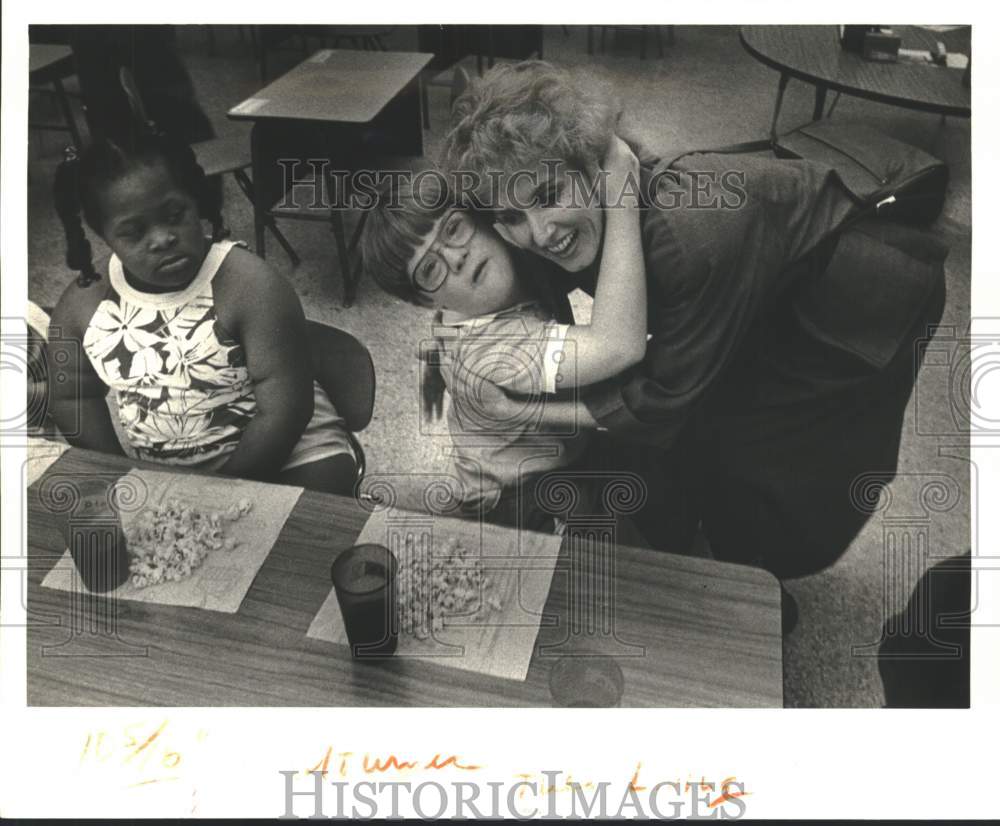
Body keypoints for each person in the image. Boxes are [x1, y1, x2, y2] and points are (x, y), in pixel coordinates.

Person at [440, 60, 948, 577]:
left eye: (548, 197)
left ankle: (757, 584)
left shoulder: (687, 241)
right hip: (768, 275)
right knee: (715, 417)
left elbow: (663, 399)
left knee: (795, 457)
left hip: (866, 292)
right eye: (510, 217)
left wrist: (529, 411)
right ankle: (728, 557)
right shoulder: (591, 208)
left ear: (594, 166)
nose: (541, 234)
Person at [47, 130, 357, 495]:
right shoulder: (81, 307)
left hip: (291, 454)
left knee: (305, 533)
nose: (162, 238)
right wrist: (121, 474)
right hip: (178, 475)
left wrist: (216, 493)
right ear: (103, 236)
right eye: (133, 232)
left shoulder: (251, 286)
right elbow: (72, 396)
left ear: (196, 202)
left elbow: (287, 410)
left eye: (175, 215)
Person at [359, 140, 647, 532]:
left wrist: (436, 370)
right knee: (617, 547)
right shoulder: (500, 350)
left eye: (454, 229)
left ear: (481, 218)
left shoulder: (493, 278)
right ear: (425, 300)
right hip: (516, 494)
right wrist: (621, 195)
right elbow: (618, 346)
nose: (455, 257)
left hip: (531, 452)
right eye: (430, 269)